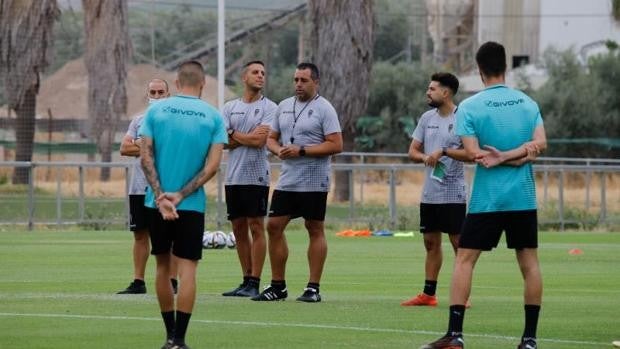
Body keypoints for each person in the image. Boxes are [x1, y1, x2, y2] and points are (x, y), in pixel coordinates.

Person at [421, 41, 546, 349]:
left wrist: (499, 156)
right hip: (523, 198)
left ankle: (455, 335)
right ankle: (529, 340)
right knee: (529, 263)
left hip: (487, 200)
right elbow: (540, 145)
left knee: (464, 260)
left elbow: (475, 154)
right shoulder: (528, 103)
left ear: (478, 70)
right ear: (505, 67)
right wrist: (518, 155)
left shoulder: (471, 107)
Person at [139, 61, 227, 349]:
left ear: (176, 83)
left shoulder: (155, 110)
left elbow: (145, 158)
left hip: (156, 203)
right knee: (188, 270)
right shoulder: (213, 117)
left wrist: (162, 195)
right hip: (191, 205)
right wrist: (180, 196)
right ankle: (180, 339)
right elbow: (213, 166)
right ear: (202, 84)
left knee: (163, 268)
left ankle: (168, 337)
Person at [251, 62, 343, 303]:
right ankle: (278, 286)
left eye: (304, 80)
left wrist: (302, 150)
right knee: (273, 226)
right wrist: (277, 149)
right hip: (288, 181)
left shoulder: (325, 108)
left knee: (314, 228)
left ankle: (313, 288)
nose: (298, 84)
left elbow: (336, 145)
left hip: (314, 181)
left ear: (316, 82)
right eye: (296, 80)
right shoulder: (284, 106)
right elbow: (271, 138)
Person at [402, 73, 470, 307]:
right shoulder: (426, 118)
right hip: (430, 192)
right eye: (428, 88)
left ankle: (463, 296)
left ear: (446, 93)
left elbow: (472, 154)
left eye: (432, 89)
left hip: (454, 193)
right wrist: (425, 157)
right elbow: (412, 151)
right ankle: (428, 294)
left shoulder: (463, 117)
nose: (427, 93)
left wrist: (444, 151)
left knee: (459, 244)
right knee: (431, 243)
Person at [221, 60, 277, 298]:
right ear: (244, 77)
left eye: (263, 72)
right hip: (233, 177)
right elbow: (222, 141)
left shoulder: (270, 108)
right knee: (238, 229)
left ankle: (255, 280)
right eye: (255, 72)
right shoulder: (228, 107)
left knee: (256, 226)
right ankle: (245, 280)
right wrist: (239, 136)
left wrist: (233, 132)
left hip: (256, 176)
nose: (260, 76)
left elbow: (258, 141)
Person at [117, 78, 179, 295]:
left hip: (164, 188)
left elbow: (169, 149)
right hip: (138, 187)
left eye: (161, 92)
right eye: (153, 92)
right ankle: (138, 281)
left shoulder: (175, 121)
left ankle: (172, 280)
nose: (157, 95)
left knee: (168, 236)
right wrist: (146, 146)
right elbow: (124, 148)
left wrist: (143, 145)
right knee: (140, 234)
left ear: (168, 94)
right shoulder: (138, 120)